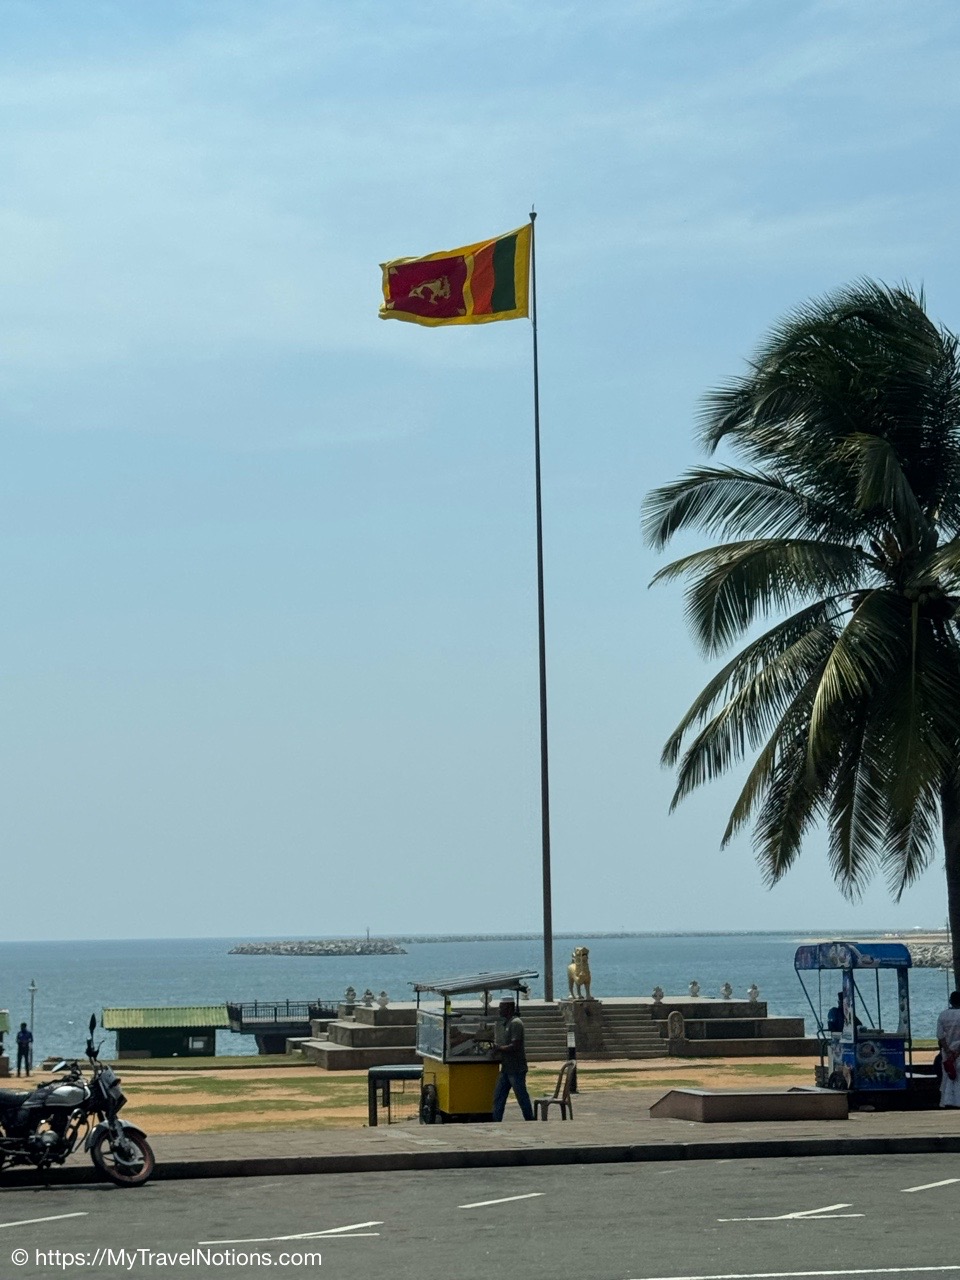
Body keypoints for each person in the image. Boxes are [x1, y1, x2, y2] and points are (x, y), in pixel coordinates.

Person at [491, 997, 533, 1122]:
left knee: (521, 1097)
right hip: (506, 1068)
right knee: (498, 1096)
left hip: (516, 1069)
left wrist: (499, 1049)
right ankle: (496, 1121)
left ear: (509, 1008)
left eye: (501, 1007)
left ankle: (530, 1120)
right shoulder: (507, 1023)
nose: (499, 1010)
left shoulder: (516, 1023)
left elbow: (515, 1045)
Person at [936, 990, 960, 1109]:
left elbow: (940, 1036)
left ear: (950, 1001)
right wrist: (957, 1053)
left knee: (948, 1075)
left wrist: (948, 1051)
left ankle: (946, 1101)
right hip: (958, 1052)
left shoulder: (943, 1015)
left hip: (947, 1052)